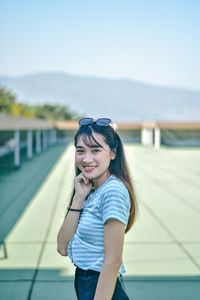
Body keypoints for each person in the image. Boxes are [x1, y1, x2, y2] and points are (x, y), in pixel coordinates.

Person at [57, 117, 137, 300]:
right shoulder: (91, 191)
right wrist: (78, 197)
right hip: (85, 281)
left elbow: (113, 261)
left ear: (113, 153)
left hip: (100, 285)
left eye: (95, 150)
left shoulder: (113, 192)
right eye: (80, 150)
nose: (86, 159)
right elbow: (62, 247)